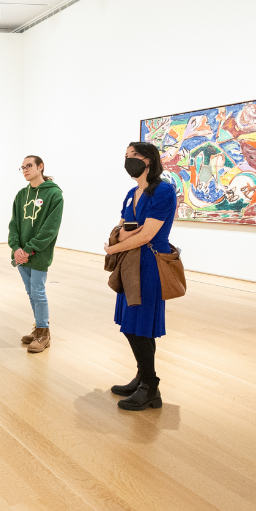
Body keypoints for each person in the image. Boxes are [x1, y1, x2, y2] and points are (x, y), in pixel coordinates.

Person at [103, 142, 176, 411]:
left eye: (132, 156)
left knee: (140, 326)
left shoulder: (164, 191)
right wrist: (123, 237)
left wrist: (114, 247)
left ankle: (150, 386)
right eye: (125, 156)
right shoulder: (131, 193)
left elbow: (146, 235)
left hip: (150, 265)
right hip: (131, 263)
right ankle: (142, 377)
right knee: (132, 325)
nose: (128, 161)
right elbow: (123, 228)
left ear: (148, 160)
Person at [8, 155, 64, 353]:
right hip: (21, 254)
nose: (25, 170)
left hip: (37, 253)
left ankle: (44, 333)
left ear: (41, 167)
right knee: (31, 292)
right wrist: (16, 248)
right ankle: (39, 326)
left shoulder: (54, 195)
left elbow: (50, 229)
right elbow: (14, 225)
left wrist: (29, 249)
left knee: (38, 292)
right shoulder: (21, 195)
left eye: (29, 166)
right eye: (22, 167)